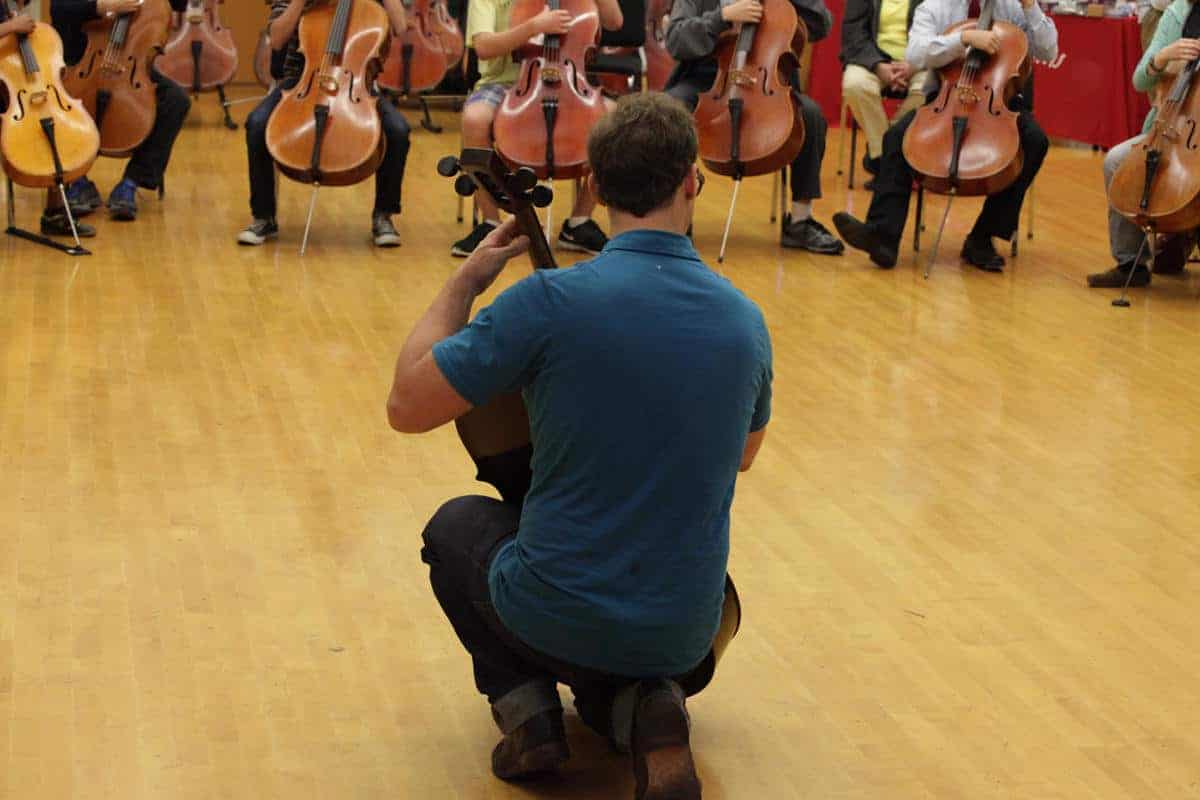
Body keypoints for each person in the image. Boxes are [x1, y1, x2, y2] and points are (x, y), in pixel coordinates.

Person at [387, 94, 771, 799]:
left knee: (456, 527)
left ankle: (530, 712)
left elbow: (408, 405)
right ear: (692, 180)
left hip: (555, 615)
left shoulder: (547, 305)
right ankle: (645, 707)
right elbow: (741, 454)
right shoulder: (746, 323)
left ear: (591, 184)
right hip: (692, 634)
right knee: (636, 602)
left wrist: (463, 284)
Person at [833, 0, 1057, 272]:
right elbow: (916, 54)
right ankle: (883, 236)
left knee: (1034, 142)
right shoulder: (935, 5)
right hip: (946, 96)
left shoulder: (1014, 7)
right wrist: (962, 39)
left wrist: (1031, 7)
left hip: (1001, 102)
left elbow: (1048, 49)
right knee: (896, 138)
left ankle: (982, 237)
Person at [664, 0, 844, 254]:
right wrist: (722, 17)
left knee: (810, 116)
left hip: (765, 76)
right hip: (709, 77)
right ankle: (678, 221)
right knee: (670, 110)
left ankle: (801, 221)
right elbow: (675, 39)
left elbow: (822, 24)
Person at [450, 0, 623, 257]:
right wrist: (533, 26)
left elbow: (614, 21)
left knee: (614, 117)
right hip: (501, 84)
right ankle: (490, 223)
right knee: (475, 118)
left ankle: (579, 222)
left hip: (567, 80)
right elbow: (484, 47)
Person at [237, 0, 412, 248]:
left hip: (357, 84)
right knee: (256, 125)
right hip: (300, 82)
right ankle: (263, 216)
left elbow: (401, 26)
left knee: (398, 131)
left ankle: (383, 214)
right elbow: (276, 39)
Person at [48, 0, 192, 233]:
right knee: (53, 98)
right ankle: (76, 178)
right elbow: (59, 8)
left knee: (176, 101)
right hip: (81, 60)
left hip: (129, 62)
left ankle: (131, 182)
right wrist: (101, 6)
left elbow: (178, 4)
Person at [1087, 0, 1198, 289]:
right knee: (1116, 161)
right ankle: (1130, 263)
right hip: (1172, 129)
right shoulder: (1177, 14)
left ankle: (1181, 234)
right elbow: (1140, 80)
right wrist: (1160, 58)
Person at [839, 0, 928, 180]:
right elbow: (853, 34)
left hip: (919, 63)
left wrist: (913, 65)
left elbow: (942, 32)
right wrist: (878, 66)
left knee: (927, 89)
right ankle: (887, 156)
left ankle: (882, 155)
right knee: (854, 83)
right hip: (873, 62)